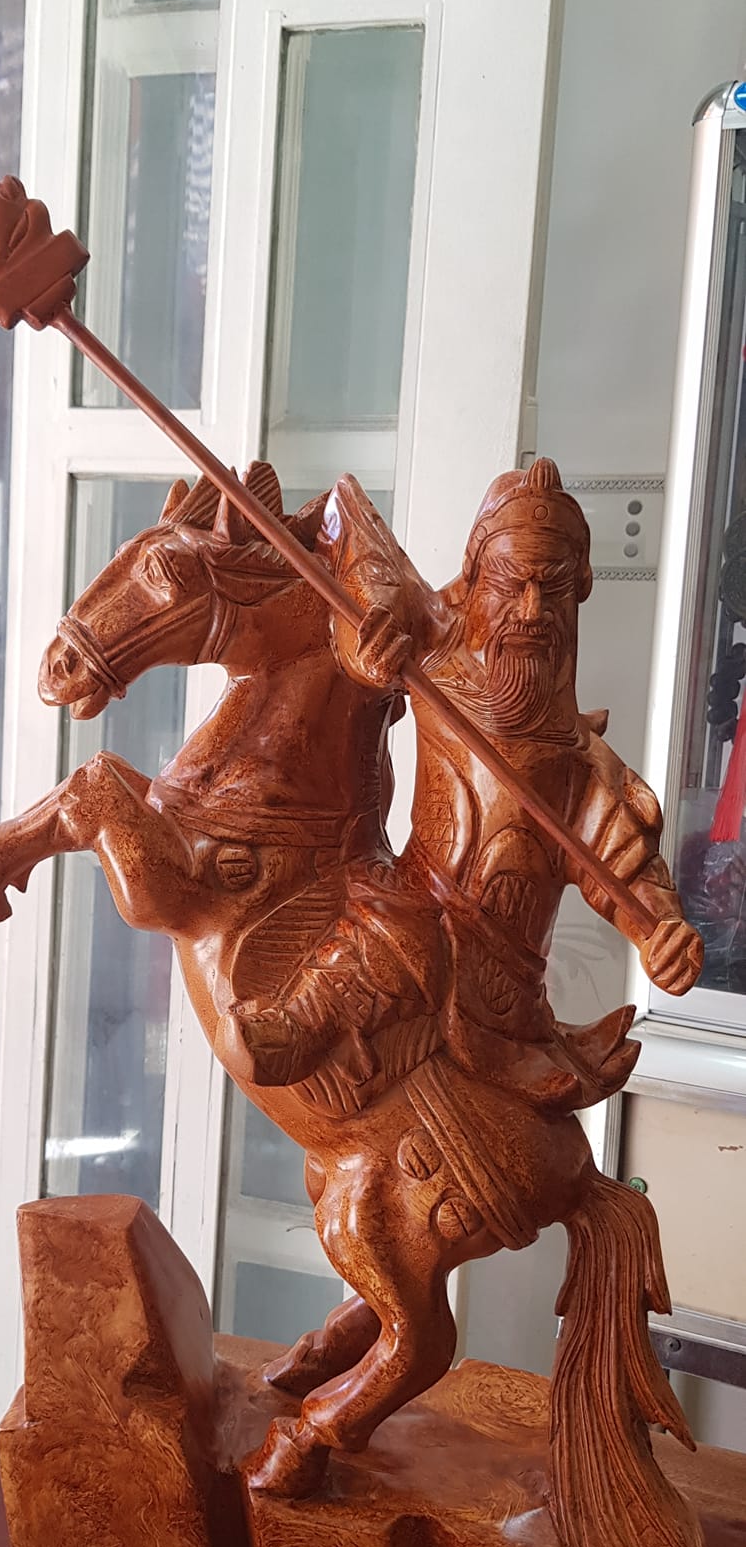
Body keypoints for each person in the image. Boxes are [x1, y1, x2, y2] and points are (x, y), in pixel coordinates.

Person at [222, 458, 702, 1116]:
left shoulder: (580, 766)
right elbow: (359, 551)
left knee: (411, 938)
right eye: (512, 583)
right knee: (393, 924)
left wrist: (661, 933)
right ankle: (300, 1020)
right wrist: (367, 650)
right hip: (413, 904)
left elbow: (626, 865)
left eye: (553, 589)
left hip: (502, 986)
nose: (532, 611)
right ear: (476, 575)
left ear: (577, 592)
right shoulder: (432, 648)